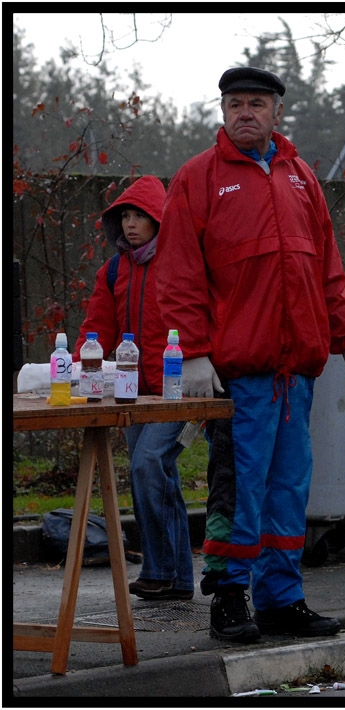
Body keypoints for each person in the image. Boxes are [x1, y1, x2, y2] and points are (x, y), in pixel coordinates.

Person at [155, 67, 345, 644]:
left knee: (288, 489)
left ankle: (282, 598)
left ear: (277, 112)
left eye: (255, 103)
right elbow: (177, 274)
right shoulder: (197, 178)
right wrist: (195, 353)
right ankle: (229, 597)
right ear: (222, 111)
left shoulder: (301, 177)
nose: (244, 112)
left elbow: (326, 268)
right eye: (233, 103)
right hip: (238, 376)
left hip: (295, 373)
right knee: (238, 489)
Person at [73, 175, 195, 601]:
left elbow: (202, 314)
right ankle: (179, 579)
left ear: (159, 220)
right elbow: (97, 330)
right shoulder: (112, 270)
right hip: (131, 391)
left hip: (179, 391)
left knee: (147, 465)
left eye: (139, 216)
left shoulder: (183, 262)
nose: (130, 224)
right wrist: (73, 369)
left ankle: (159, 571)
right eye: (124, 216)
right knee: (160, 475)